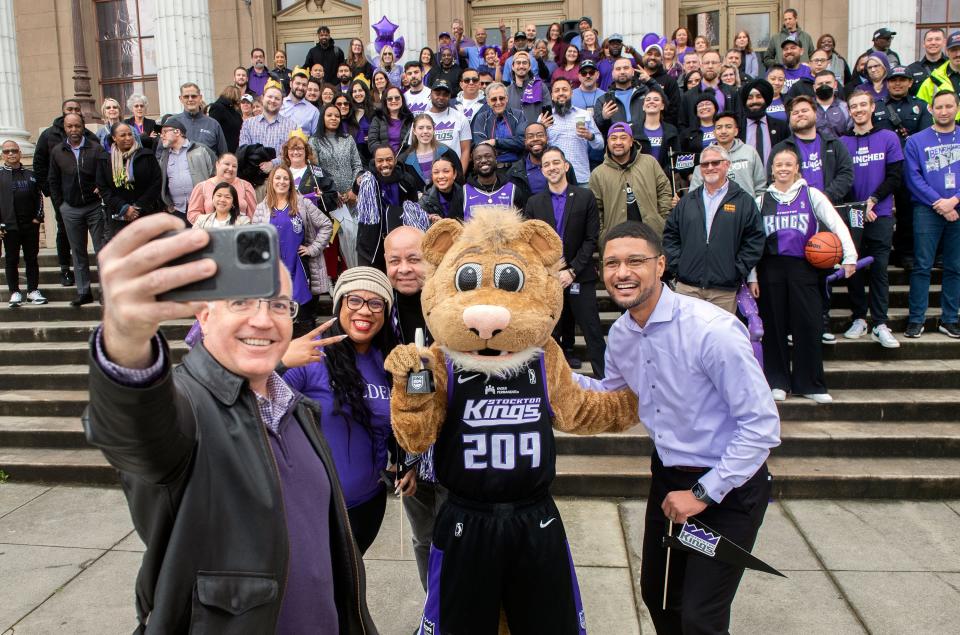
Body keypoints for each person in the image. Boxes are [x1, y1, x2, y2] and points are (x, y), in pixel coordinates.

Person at [85, 212, 376, 633]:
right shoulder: (189, 407)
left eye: (278, 304)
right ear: (203, 315)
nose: (262, 319)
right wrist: (125, 339)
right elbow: (137, 430)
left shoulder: (297, 411)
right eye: (240, 301)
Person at [577, 220, 780, 634]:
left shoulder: (713, 330)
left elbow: (761, 426)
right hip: (669, 481)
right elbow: (612, 394)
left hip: (729, 489)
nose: (622, 273)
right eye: (612, 263)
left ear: (661, 264)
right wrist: (548, 373)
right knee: (660, 596)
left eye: (636, 261)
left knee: (701, 617)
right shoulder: (620, 334)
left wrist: (704, 493)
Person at [283, 267, 403, 560]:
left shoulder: (387, 362)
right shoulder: (310, 356)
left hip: (368, 506)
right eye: (354, 300)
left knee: (347, 593)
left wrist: (404, 460)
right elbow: (253, 403)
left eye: (376, 303)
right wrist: (277, 360)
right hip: (314, 512)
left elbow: (392, 422)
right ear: (338, 305)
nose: (365, 310)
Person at [753, 147, 857, 403]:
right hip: (771, 268)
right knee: (774, 327)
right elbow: (752, 241)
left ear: (797, 167)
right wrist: (752, 275)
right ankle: (777, 381)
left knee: (808, 324)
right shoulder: (761, 200)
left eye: (789, 164)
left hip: (805, 267)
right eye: (778, 164)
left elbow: (837, 224)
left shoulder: (812, 195)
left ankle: (810, 383)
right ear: (772, 169)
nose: (784, 168)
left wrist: (850, 255)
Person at [524, 146, 606, 375]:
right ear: (542, 171)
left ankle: (606, 380)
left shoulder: (584, 196)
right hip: (549, 279)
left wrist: (571, 271)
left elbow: (591, 239)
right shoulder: (534, 203)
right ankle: (553, 382)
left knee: (592, 330)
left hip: (580, 275)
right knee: (553, 332)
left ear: (566, 166)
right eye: (546, 164)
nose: (552, 167)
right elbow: (531, 243)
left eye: (556, 162)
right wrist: (551, 272)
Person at [665, 144, 765, 314]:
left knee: (719, 339)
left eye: (715, 163)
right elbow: (670, 235)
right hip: (687, 288)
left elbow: (754, 240)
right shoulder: (687, 202)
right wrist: (678, 266)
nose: (710, 167)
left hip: (723, 291)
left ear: (727, 164)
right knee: (688, 338)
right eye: (705, 164)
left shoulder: (744, 202)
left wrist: (736, 270)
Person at [839, 91, 904, 348]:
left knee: (879, 270)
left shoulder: (888, 137)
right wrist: (856, 206)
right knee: (852, 267)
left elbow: (895, 175)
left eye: (862, 105)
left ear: (872, 106)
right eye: (853, 106)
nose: (858, 110)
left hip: (881, 212)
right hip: (853, 214)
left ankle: (879, 322)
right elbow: (842, 179)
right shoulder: (842, 141)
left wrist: (874, 200)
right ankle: (859, 318)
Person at [904, 90, 960, 339]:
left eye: (949, 106)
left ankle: (950, 319)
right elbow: (913, 177)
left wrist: (954, 201)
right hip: (927, 210)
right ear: (930, 109)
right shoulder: (916, 140)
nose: (944, 111)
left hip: (958, 209)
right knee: (922, 266)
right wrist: (939, 203)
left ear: (957, 108)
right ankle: (917, 318)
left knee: (955, 267)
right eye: (939, 107)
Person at [252, 165, 334, 330]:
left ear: (290, 182)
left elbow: (326, 225)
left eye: (285, 178)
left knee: (305, 319)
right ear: (271, 181)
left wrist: (313, 248)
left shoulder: (302, 203)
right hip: (274, 272)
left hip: (299, 269)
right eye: (277, 178)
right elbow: (255, 238)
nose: (281, 182)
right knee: (275, 321)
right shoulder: (262, 207)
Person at [878, 67, 933, 268]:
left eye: (902, 80)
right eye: (893, 80)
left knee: (907, 212)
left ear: (910, 83)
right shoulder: (877, 107)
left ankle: (906, 253)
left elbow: (926, 137)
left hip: (910, 168)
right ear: (887, 83)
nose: (897, 84)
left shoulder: (921, 106)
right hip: (882, 170)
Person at [47, 113, 104, 306]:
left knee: (101, 251)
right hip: (70, 209)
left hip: (94, 207)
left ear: (83, 127)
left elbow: (104, 174)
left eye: (77, 126)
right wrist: (60, 205)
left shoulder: (95, 149)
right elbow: (53, 181)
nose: (73, 130)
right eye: (69, 127)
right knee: (78, 252)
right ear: (65, 128)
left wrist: (100, 188)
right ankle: (83, 291)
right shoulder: (57, 151)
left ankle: (105, 292)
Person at [34, 99, 90, 287]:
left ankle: (84, 271)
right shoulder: (48, 135)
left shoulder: (87, 134)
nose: (73, 111)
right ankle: (65, 269)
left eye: (76, 109)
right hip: (62, 198)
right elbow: (39, 164)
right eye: (69, 109)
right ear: (63, 112)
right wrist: (50, 192)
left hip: (87, 197)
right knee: (64, 233)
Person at [589, 122, 672, 241]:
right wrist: (603, 235)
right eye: (613, 138)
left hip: (651, 236)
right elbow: (596, 211)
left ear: (631, 141)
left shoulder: (650, 162)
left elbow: (664, 190)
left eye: (623, 138)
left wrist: (661, 220)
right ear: (607, 142)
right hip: (616, 241)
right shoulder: (598, 174)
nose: (618, 142)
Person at [769, 95, 853, 207]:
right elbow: (772, 179)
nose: (800, 114)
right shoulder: (780, 149)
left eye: (804, 110)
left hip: (831, 208)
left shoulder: (834, 144)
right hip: (795, 211)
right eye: (795, 113)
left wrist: (824, 198)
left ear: (815, 113)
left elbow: (846, 174)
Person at [310, 103, 363, 269]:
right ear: (322, 118)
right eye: (329, 115)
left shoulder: (348, 139)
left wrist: (353, 190)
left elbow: (357, 165)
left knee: (354, 236)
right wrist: (332, 193)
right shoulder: (315, 141)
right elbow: (316, 171)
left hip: (352, 198)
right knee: (335, 241)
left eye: (337, 116)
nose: (334, 118)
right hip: (331, 201)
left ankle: (356, 271)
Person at [355, 145, 424, 270]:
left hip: (399, 244)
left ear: (395, 160)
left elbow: (414, 209)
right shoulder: (368, 179)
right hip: (370, 246)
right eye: (380, 161)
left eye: (389, 159)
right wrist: (359, 180)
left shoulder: (407, 180)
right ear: (374, 162)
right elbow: (356, 187)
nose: (385, 164)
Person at [96, 122, 163, 242]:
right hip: (118, 218)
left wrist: (137, 207)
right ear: (114, 138)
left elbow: (156, 182)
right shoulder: (105, 160)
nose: (128, 138)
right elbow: (103, 188)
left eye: (130, 134)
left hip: (145, 213)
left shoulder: (146, 155)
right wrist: (124, 208)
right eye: (123, 135)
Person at [1, 140, 46, 307]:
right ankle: (14, 292)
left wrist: (37, 219)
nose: (11, 154)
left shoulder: (30, 175)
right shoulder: (0, 175)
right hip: (8, 226)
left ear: (19, 152)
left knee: (31, 259)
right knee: (11, 259)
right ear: (2, 155)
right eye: (7, 151)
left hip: (30, 225)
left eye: (14, 150)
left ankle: (33, 291)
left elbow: (39, 198)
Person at [541, 77, 603, 186]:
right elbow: (538, 148)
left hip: (581, 178)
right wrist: (542, 129)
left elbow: (600, 145)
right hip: (554, 178)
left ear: (572, 93)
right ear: (552, 95)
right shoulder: (545, 117)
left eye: (565, 89)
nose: (561, 93)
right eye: (557, 90)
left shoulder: (584, 115)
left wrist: (590, 136)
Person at [690, 112, 766, 197]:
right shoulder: (706, 155)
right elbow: (695, 190)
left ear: (736, 131)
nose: (723, 131)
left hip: (748, 207)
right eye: (719, 128)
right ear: (714, 132)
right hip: (715, 208)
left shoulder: (750, 152)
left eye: (728, 127)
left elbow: (760, 186)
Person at [158, 118, 215, 224]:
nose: (162, 136)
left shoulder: (201, 150)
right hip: (177, 211)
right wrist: (169, 205)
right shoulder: (164, 156)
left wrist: (210, 203)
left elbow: (215, 175)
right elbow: (162, 182)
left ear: (177, 132)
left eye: (165, 132)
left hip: (203, 211)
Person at [238, 82, 300, 176]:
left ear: (282, 102)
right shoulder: (248, 124)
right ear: (262, 98)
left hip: (280, 179)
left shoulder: (291, 126)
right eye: (270, 97)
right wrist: (259, 163)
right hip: (254, 178)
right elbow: (243, 150)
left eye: (277, 98)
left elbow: (291, 154)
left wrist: (272, 163)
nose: (273, 100)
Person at [592, 57, 658, 138]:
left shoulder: (645, 92)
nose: (622, 72)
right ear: (612, 74)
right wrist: (603, 117)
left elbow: (665, 105)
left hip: (645, 142)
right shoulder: (603, 100)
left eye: (626, 68)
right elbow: (596, 130)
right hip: (618, 146)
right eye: (618, 69)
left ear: (633, 72)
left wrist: (650, 81)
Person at [679, 50, 740, 133]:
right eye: (707, 63)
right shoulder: (688, 96)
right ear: (701, 65)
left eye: (714, 63)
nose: (710, 66)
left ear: (720, 65)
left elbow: (739, 121)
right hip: (698, 144)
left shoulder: (732, 93)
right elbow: (682, 125)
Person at [186, 152, 257, 223]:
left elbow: (254, 215)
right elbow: (193, 214)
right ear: (217, 164)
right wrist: (213, 221)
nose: (230, 168)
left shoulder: (245, 186)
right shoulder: (202, 187)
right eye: (227, 164)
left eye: (234, 166)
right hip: (211, 231)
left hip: (240, 231)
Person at [471, 82, 528, 167]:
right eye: (494, 99)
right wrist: (511, 142)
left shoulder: (518, 115)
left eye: (501, 98)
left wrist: (495, 142)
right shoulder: (481, 118)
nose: (498, 102)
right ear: (488, 101)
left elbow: (522, 142)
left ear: (507, 99)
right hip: (492, 168)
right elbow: (482, 147)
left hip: (517, 166)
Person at [399, 114, 464, 187]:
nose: (425, 131)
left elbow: (459, 181)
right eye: (421, 128)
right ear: (414, 131)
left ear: (434, 130)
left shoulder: (447, 153)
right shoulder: (405, 159)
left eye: (429, 128)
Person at [463, 143, 525, 218]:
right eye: (478, 158)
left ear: (496, 159)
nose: (483, 160)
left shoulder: (513, 190)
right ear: (473, 163)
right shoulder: (463, 192)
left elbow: (522, 223)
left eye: (488, 156)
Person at [739, 78, 790, 166]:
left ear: (766, 99)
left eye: (759, 97)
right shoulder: (736, 128)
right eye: (750, 98)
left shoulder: (781, 126)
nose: (754, 101)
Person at [423, 80, 471, 173]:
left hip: (453, 173)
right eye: (437, 93)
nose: (441, 97)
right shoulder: (421, 119)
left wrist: (460, 175)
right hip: (427, 173)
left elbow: (465, 150)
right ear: (431, 94)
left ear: (449, 96)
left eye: (445, 94)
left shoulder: (460, 118)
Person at [634, 88, 682, 179]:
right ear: (643, 106)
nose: (651, 102)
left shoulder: (671, 130)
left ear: (662, 106)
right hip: (640, 179)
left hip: (665, 180)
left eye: (656, 99)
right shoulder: (634, 131)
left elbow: (676, 159)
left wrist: (661, 175)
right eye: (648, 100)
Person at [173, 83, 228, 156]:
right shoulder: (172, 123)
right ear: (181, 99)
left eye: (194, 96)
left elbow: (223, 154)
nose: (190, 99)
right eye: (186, 96)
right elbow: (162, 154)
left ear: (200, 97)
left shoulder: (213, 124)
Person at [916, 31, 960, 116]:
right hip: (943, 128)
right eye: (954, 50)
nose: (958, 54)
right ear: (947, 52)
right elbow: (920, 113)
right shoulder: (932, 81)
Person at [504, 51, 551, 124]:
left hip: (536, 132)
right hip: (514, 134)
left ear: (529, 67)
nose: (521, 66)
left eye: (525, 63)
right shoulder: (507, 91)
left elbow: (548, 114)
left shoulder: (541, 86)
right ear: (513, 67)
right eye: (518, 63)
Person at [367, 86, 414, 156]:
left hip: (404, 162)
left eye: (397, 98)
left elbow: (412, 145)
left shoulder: (409, 119)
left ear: (402, 99)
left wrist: (400, 160)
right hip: (383, 162)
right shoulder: (378, 118)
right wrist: (386, 157)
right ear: (385, 101)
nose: (394, 101)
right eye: (390, 99)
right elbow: (372, 142)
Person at [419, 155, 465, 222]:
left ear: (454, 174)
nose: (440, 176)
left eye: (446, 171)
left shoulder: (466, 195)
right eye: (436, 172)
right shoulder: (425, 201)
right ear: (432, 176)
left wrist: (443, 223)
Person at [281, 68, 321, 136]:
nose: (300, 87)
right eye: (298, 83)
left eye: (304, 85)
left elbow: (315, 139)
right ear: (291, 84)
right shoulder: (279, 104)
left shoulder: (314, 111)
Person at [906, 29, 947, 93]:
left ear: (944, 42)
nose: (933, 43)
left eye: (937, 39)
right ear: (924, 44)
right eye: (929, 40)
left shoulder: (952, 66)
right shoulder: (911, 69)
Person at [813, 70, 851, 138]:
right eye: (820, 84)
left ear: (835, 85)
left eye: (828, 83)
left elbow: (850, 133)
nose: (824, 86)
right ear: (814, 87)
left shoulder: (845, 108)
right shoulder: (807, 108)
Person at [207, 85, 243, 153]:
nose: (239, 99)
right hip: (222, 150)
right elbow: (212, 129)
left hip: (233, 149)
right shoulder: (218, 108)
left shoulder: (234, 111)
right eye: (238, 96)